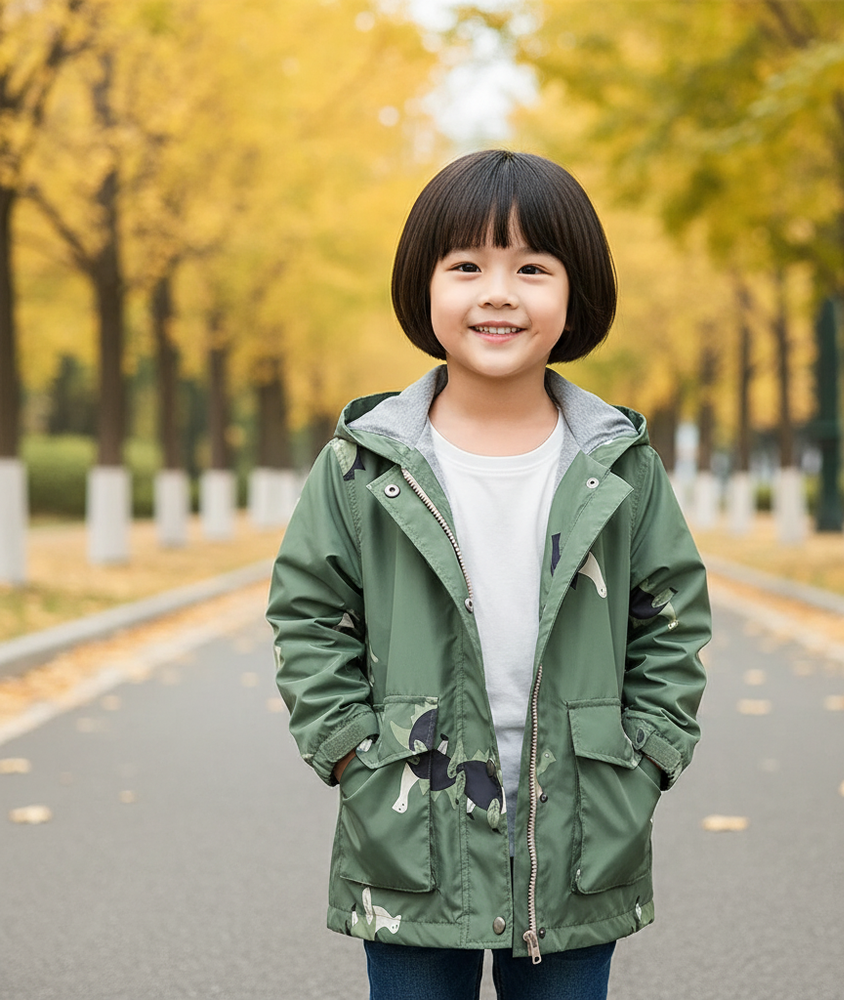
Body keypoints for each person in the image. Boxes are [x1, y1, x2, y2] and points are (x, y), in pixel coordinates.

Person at [267, 149, 710, 1000]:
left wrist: (647, 755)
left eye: (532, 268)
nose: (499, 292)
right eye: (466, 264)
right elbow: (309, 611)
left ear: (575, 295)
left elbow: (672, 615)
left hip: (583, 828)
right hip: (407, 821)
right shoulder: (365, 464)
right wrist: (352, 750)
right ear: (422, 287)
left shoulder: (617, 463)